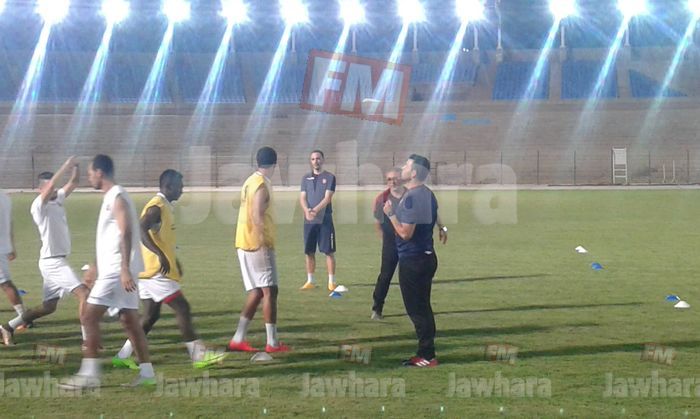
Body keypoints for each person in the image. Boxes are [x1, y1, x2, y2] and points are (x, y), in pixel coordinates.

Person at [112, 169, 226, 370]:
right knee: (182, 308)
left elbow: (162, 239)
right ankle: (198, 355)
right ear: (168, 186)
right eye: (180, 186)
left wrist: (173, 259)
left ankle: (122, 355)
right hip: (156, 272)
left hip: (149, 271)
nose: (182, 190)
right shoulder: (157, 207)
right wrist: (161, 255)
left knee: (150, 316)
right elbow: (140, 228)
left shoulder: (164, 206)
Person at [59, 154, 155, 389]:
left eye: (90, 173)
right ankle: (148, 374)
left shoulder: (117, 196)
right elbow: (110, 238)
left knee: (88, 316)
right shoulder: (112, 197)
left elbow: (126, 232)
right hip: (116, 269)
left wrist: (124, 268)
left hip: (116, 271)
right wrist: (95, 266)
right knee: (130, 322)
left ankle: (90, 374)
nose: (89, 177)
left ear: (99, 173)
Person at [0, 157, 90, 346]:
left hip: (53, 260)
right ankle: (88, 341)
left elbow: (74, 182)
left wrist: (75, 166)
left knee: (48, 307)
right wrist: (65, 166)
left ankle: (8, 327)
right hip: (53, 262)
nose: (54, 190)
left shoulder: (57, 199)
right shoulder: (38, 206)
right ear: (41, 189)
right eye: (50, 187)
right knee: (84, 293)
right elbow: (51, 187)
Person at [384, 154, 447, 368]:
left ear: (413, 173)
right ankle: (426, 352)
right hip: (425, 257)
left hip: (414, 260)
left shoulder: (412, 197)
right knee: (423, 308)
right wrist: (442, 227)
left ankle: (427, 355)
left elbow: (405, 233)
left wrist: (391, 214)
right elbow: (433, 215)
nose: (403, 167)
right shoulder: (426, 193)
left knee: (417, 310)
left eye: (407, 165)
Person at [228, 146, 289, 353]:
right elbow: (256, 214)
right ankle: (272, 343)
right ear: (275, 164)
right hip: (257, 244)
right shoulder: (261, 185)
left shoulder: (250, 181)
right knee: (270, 291)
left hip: (243, 242)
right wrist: (263, 241)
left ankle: (238, 338)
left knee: (256, 292)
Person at [299, 150, 338, 291]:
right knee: (309, 251)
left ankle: (331, 282)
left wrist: (314, 210)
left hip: (324, 220)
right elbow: (302, 197)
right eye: (313, 159)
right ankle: (310, 280)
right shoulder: (305, 178)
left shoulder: (330, 177)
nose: (316, 161)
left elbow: (327, 198)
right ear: (311, 161)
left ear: (323, 160)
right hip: (309, 221)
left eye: (318, 158)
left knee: (328, 251)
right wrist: (306, 211)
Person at [370, 168, 406, 321]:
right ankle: (377, 308)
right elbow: (378, 222)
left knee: (409, 278)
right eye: (389, 179)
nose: (393, 182)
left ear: (402, 179)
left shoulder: (410, 196)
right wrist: (384, 240)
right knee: (385, 276)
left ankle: (415, 309)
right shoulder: (382, 198)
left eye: (395, 178)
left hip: (408, 244)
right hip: (390, 244)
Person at [0, 189, 24, 321]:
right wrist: (12, 246)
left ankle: (23, 317)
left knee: (5, 283)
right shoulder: (5, 197)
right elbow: (10, 223)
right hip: (4, 246)